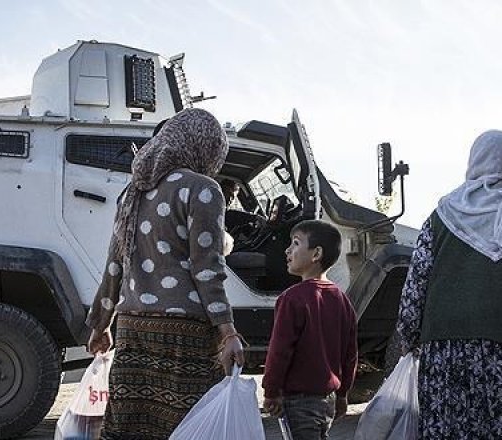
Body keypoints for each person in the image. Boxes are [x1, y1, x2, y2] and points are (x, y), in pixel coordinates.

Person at [396, 130, 502, 439]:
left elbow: (415, 282)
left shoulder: (442, 213)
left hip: (442, 354)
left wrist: (408, 335)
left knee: (446, 430)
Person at [86, 108, 245, 439]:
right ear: (207, 148)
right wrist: (228, 332)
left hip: (132, 330)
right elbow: (207, 269)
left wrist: (101, 325)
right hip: (185, 335)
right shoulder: (203, 189)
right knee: (188, 427)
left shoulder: (130, 193)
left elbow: (114, 264)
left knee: (129, 427)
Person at [262, 219, 358, 440]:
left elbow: (279, 350)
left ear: (316, 254)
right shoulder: (342, 300)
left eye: (295, 243)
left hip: (298, 402)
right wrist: (343, 395)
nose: (288, 250)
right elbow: (350, 355)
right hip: (328, 400)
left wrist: (271, 392)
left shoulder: (292, 298)